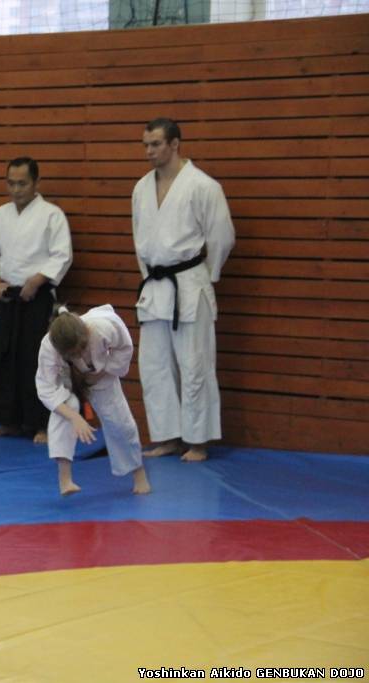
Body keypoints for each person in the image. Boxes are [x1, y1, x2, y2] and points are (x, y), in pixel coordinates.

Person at [132, 118, 235, 462]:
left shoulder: (203, 186)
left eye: (156, 144)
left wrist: (208, 274)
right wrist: (149, 275)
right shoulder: (141, 188)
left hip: (189, 284)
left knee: (195, 365)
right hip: (155, 286)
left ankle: (198, 441)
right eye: (146, 145)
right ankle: (168, 437)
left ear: (175, 144)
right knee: (154, 367)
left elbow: (222, 236)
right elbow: (140, 239)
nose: (149, 151)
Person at [0, 156, 73, 444]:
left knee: (38, 361)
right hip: (8, 297)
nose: (16, 190)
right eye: (11, 183)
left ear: (36, 183)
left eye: (22, 183)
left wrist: (38, 280)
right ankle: (9, 422)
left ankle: (42, 424)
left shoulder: (52, 215)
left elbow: (62, 255)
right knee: (5, 360)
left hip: (37, 297)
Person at [36, 305, 152, 496]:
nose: (78, 355)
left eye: (81, 349)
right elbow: (47, 389)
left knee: (120, 421)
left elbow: (124, 348)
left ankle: (139, 474)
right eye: (72, 354)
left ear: (87, 332)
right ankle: (65, 479)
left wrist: (104, 371)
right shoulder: (49, 346)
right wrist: (75, 417)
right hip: (67, 378)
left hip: (100, 374)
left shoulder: (102, 327)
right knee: (66, 409)